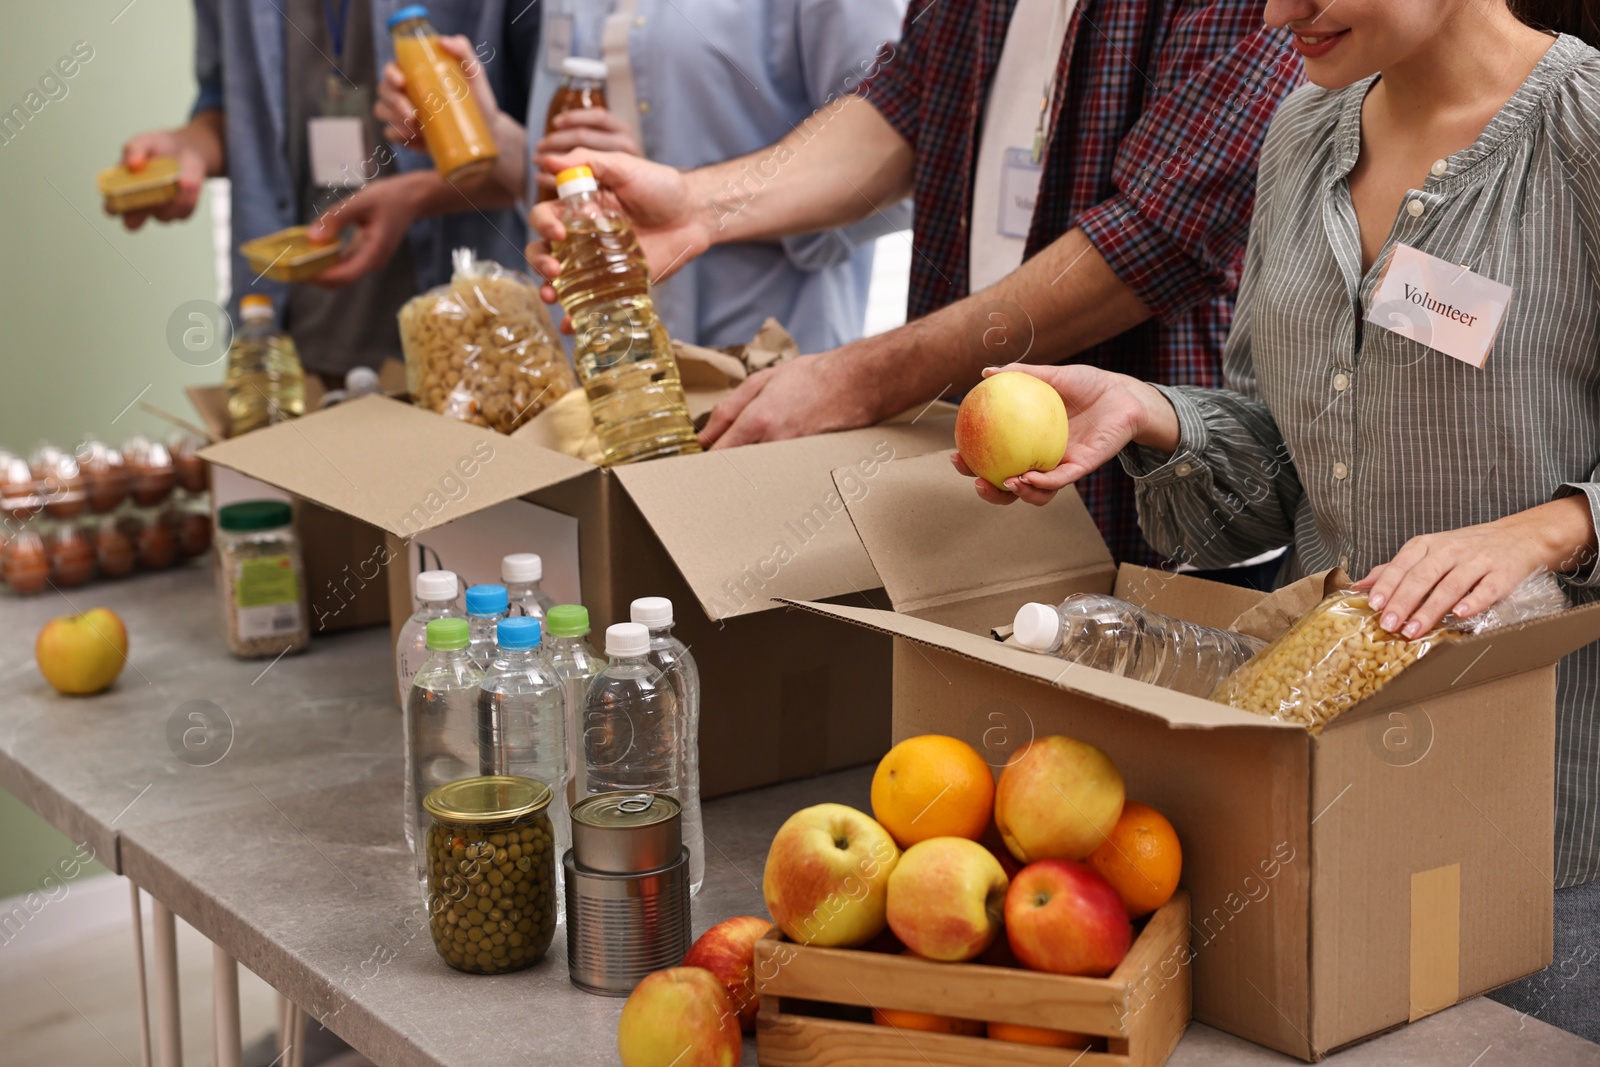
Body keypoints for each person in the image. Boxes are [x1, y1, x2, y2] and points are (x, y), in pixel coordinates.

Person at [956, 0, 1600, 1040]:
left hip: (1541, 835)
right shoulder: (1301, 132)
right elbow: (1284, 463)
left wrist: (1547, 527)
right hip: (1322, 802)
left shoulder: (1583, 135)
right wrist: (1154, 417)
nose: (1271, 11)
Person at [526, 0, 1304, 576]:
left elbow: (1150, 238)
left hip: (1148, 505)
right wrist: (702, 205)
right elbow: (902, 103)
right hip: (965, 468)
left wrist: (863, 376)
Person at [350, 0, 910, 352]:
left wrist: (690, 192)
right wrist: (490, 133)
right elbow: (563, 175)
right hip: (601, 366)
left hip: (762, 363)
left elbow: (902, 161)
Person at [116, 0, 534, 381]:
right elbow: (229, 104)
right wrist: (190, 149)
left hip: (473, 353)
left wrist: (418, 195)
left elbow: (553, 156)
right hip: (295, 346)